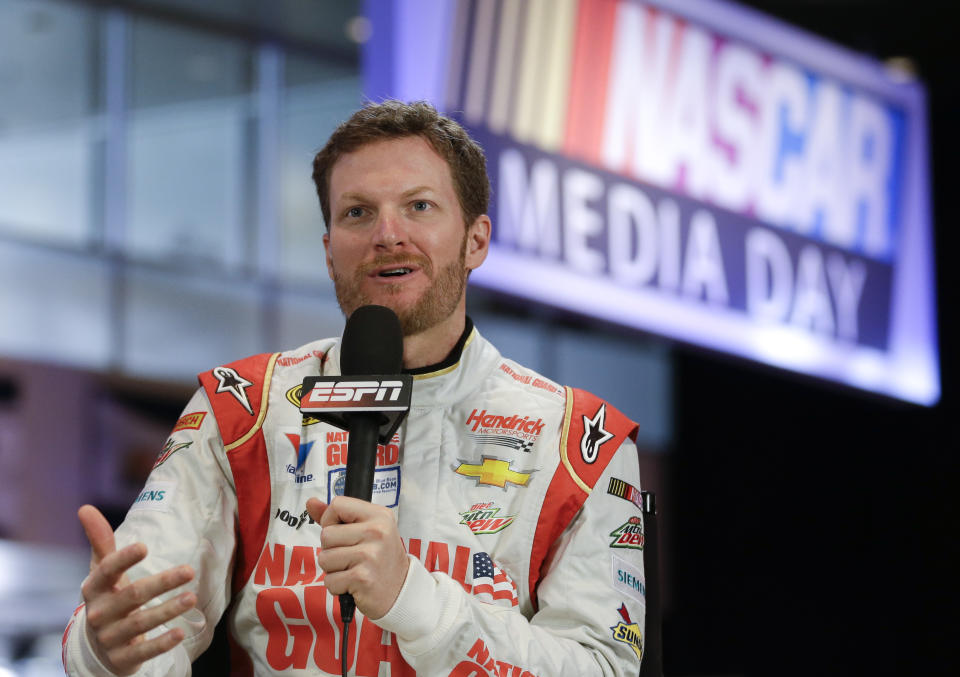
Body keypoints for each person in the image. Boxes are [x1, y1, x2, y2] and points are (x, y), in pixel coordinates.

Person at [63, 100, 647, 677]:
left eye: (419, 206)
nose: (388, 235)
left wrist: (412, 596)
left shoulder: (582, 445)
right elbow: (138, 615)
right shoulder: (241, 406)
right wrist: (107, 650)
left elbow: (603, 667)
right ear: (328, 251)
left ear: (476, 240)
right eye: (357, 213)